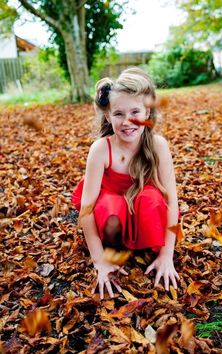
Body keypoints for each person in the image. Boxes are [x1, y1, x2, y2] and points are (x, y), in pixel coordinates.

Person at [72, 67, 180, 300]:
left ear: (147, 112)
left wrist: (167, 255)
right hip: (111, 213)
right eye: (118, 113)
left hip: (140, 206)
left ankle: (144, 243)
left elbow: (172, 201)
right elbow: (87, 209)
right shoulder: (101, 149)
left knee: (151, 198)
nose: (128, 121)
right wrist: (99, 260)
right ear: (108, 116)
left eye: (135, 112)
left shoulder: (158, 145)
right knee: (112, 206)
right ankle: (116, 247)